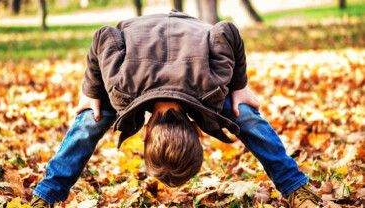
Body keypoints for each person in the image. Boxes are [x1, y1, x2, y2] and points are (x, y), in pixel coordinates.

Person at [30, 10, 321, 208]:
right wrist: (90, 93)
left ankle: (295, 186)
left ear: (194, 128)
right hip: (147, 41)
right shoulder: (123, 88)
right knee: (90, 118)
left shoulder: (210, 87)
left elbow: (226, 32)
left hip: (184, 37)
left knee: (240, 110)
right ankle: (46, 195)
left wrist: (239, 87)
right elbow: (104, 36)